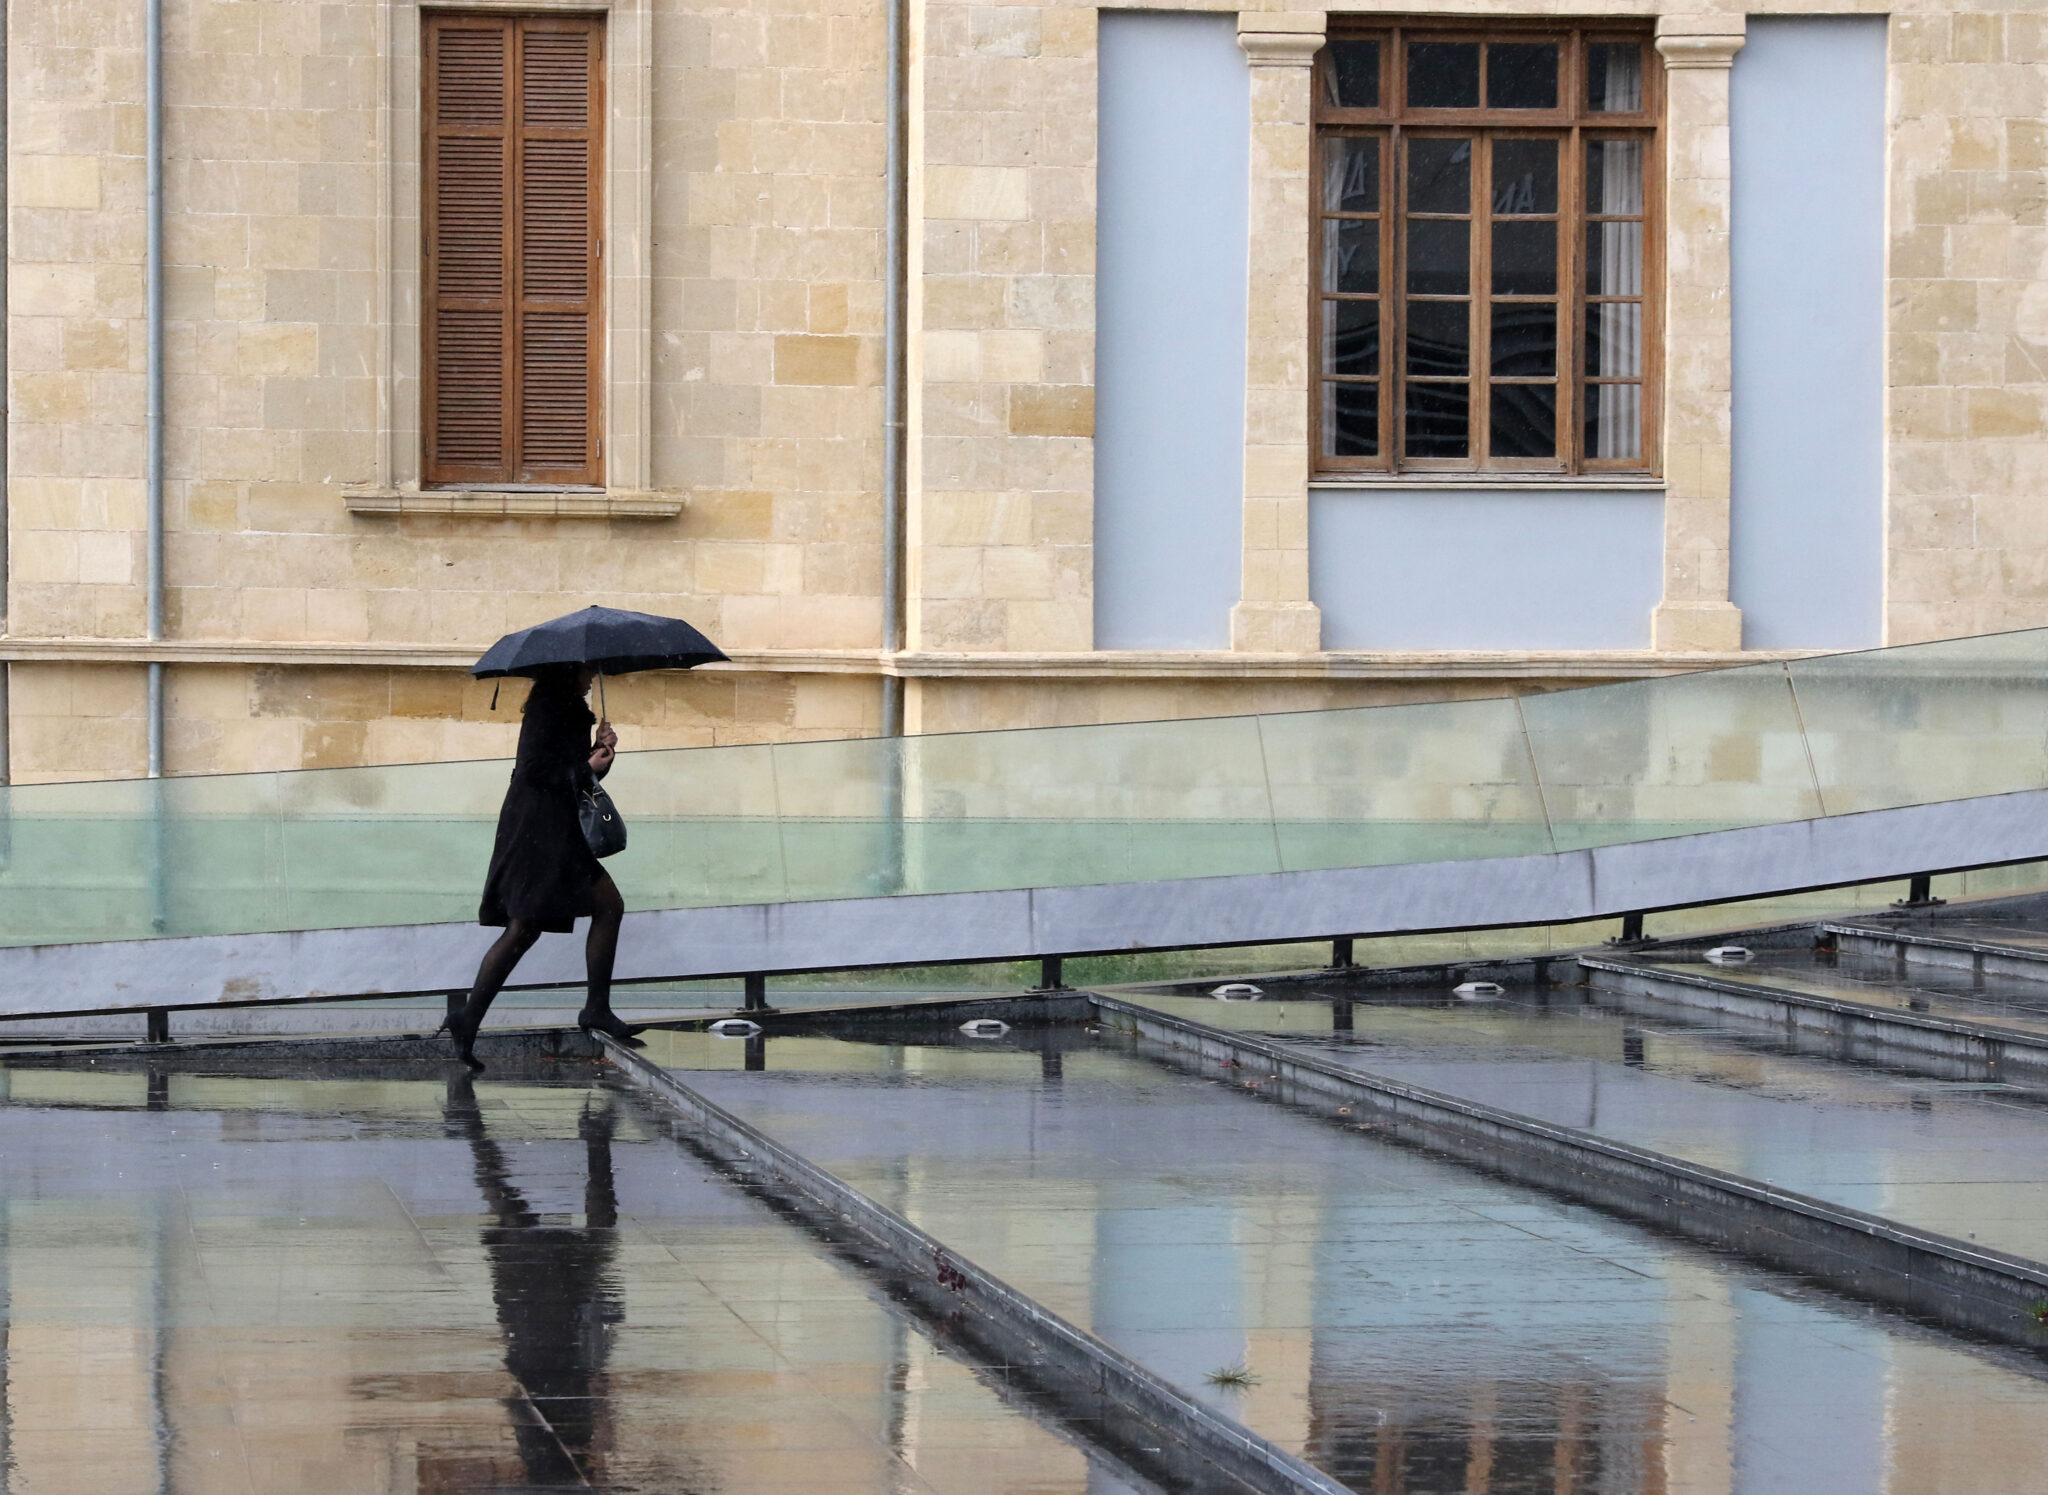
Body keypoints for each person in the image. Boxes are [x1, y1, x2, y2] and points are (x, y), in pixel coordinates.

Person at [443, 663, 644, 1069]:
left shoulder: (565, 707)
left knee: (566, 916)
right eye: (587, 668)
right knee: (534, 924)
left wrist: (599, 753)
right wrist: (588, 766)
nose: (592, 674)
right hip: (539, 831)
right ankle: (589, 1009)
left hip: (553, 830)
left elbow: (569, 771)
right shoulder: (549, 708)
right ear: (567, 671)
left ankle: (473, 1019)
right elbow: (535, 769)